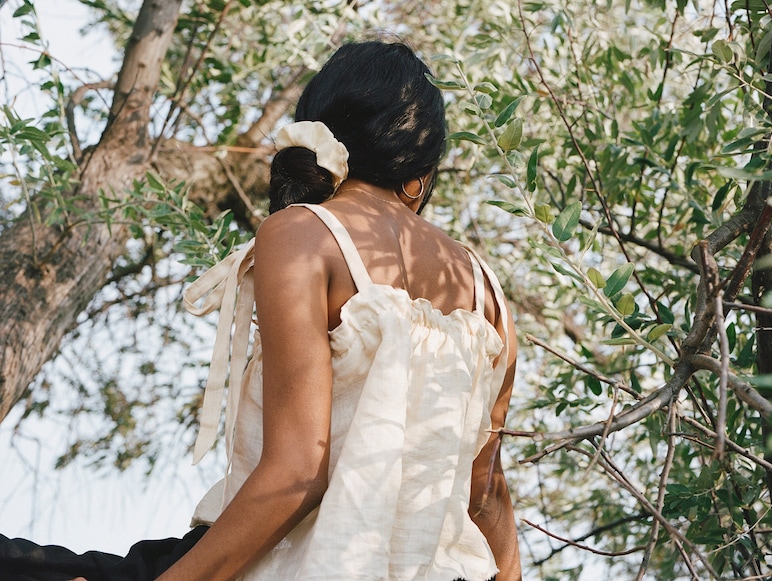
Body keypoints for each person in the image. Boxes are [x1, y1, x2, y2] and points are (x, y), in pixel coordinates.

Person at [0, 39, 520, 581]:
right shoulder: (487, 291)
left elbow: (298, 473)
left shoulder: (304, 234)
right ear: (418, 175)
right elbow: (484, 496)